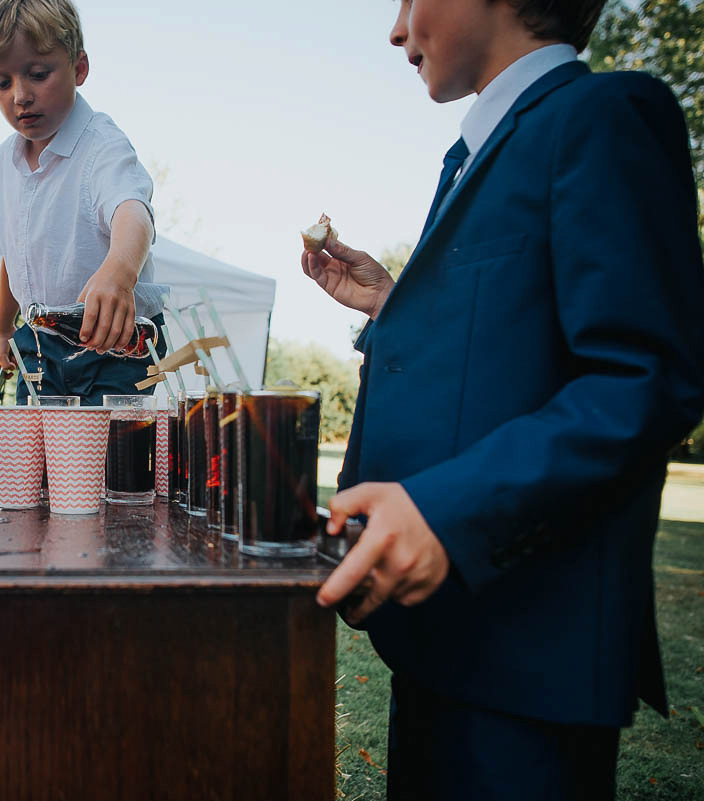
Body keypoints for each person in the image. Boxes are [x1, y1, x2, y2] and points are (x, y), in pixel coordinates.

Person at [302, 1, 704, 797]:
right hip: (443, 632)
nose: (394, 30)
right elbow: (510, 344)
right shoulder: (471, 155)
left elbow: (644, 376)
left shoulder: (603, 116)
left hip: (528, 650)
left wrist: (449, 511)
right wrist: (395, 306)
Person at [0, 0, 168, 407]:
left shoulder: (102, 143)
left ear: (79, 68)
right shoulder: (1, 162)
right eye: (1, 82)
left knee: (104, 466)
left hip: (113, 343)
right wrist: (2, 326)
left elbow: (133, 211)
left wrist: (119, 271)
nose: (21, 96)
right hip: (38, 344)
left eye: (38, 74)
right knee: (38, 464)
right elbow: (13, 251)